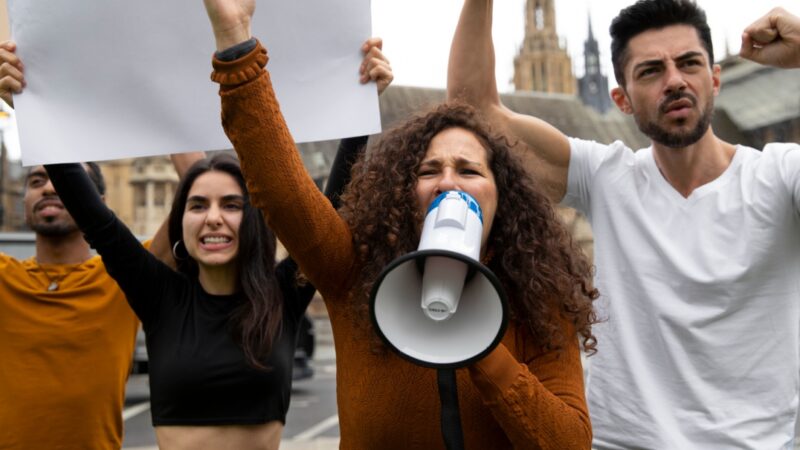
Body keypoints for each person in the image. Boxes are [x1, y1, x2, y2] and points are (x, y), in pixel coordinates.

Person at [201, 0, 599, 448]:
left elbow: (569, 442)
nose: (449, 182)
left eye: (468, 171)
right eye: (429, 171)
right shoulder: (354, 273)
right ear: (402, 191)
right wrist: (238, 47)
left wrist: (482, 348)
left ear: (502, 194)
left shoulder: (539, 299)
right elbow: (281, 191)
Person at [448, 0, 800, 448]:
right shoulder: (607, 177)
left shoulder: (782, 175)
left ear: (714, 77)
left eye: (689, 63)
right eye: (651, 71)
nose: (674, 81)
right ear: (622, 99)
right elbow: (473, 110)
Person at [41, 37, 391, 450]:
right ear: (181, 222)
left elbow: (329, 212)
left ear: (252, 219)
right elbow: (94, 217)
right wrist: (36, 114)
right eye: (197, 205)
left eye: (230, 204)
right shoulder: (158, 296)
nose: (212, 217)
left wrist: (361, 110)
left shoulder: (284, 293)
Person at [0, 41, 203, 449]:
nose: (50, 186)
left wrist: (150, 91)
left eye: (65, 179)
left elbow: (199, 183)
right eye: (35, 181)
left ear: (99, 206)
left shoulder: (126, 280)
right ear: (23, 202)